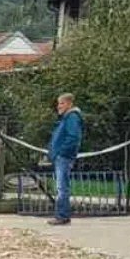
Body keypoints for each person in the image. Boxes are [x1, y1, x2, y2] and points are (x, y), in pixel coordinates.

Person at [47, 91, 84, 225]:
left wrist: (61, 153)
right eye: (58, 103)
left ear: (69, 104)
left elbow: (73, 137)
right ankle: (61, 215)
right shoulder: (66, 118)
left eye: (61, 103)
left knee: (62, 187)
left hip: (64, 157)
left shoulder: (72, 118)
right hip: (61, 156)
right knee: (61, 187)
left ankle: (62, 216)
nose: (59, 106)